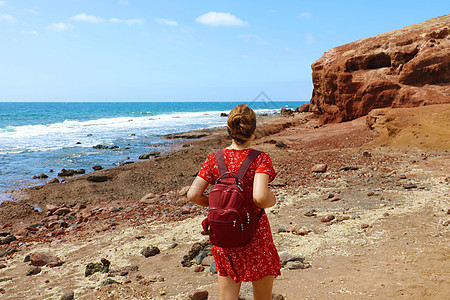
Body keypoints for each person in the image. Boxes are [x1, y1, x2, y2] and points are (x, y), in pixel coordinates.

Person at [187, 104, 281, 300]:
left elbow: (193, 195)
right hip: (255, 234)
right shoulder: (260, 159)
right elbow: (260, 197)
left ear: (229, 130)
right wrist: (272, 199)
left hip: (226, 234)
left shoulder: (214, 158)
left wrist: (217, 206)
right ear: (253, 131)